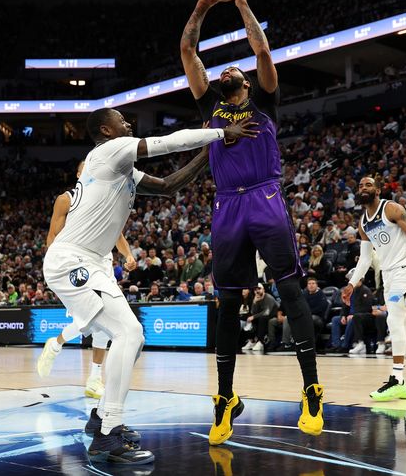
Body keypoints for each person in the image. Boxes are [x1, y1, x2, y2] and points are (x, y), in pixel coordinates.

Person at [43, 105, 253, 464]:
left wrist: (209, 151)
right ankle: (109, 432)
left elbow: (171, 185)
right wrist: (221, 133)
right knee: (130, 334)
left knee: (127, 339)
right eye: (120, 119)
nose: (127, 122)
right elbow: (168, 144)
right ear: (106, 131)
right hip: (72, 260)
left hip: (90, 262)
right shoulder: (108, 152)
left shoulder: (123, 169)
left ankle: (101, 419)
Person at [180, 0, 323, 442]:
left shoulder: (263, 97)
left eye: (231, 69)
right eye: (222, 70)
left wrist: (241, 2)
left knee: (291, 292)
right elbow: (187, 52)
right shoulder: (210, 109)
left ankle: (311, 389)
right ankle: (225, 400)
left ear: (244, 79)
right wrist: (203, 4)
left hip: (264, 196)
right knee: (227, 303)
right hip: (226, 206)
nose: (225, 70)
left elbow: (261, 50)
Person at [37, 160, 138, 401]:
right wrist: (61, 270)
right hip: (76, 262)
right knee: (92, 318)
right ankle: (55, 345)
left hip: (102, 262)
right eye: (86, 169)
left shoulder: (104, 202)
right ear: (79, 173)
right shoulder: (66, 200)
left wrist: (128, 254)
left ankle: (93, 378)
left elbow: (117, 234)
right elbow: (52, 239)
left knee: (103, 325)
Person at [341, 176, 406, 401]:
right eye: (360, 185)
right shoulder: (363, 222)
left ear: (377, 190)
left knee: (394, 320)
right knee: (401, 324)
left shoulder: (391, 209)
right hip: (389, 274)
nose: (363, 187)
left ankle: (396, 378)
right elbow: (365, 259)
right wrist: (351, 284)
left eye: (368, 185)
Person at [240, 283, 276, 352]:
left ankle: (260, 342)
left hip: (273, 316)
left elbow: (266, 313)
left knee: (261, 318)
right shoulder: (256, 298)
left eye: (259, 289)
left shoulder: (268, 297)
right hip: (263, 317)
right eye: (255, 289)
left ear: (263, 290)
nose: (257, 291)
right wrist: (254, 302)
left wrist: (253, 316)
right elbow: (253, 313)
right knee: (251, 320)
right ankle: (252, 341)